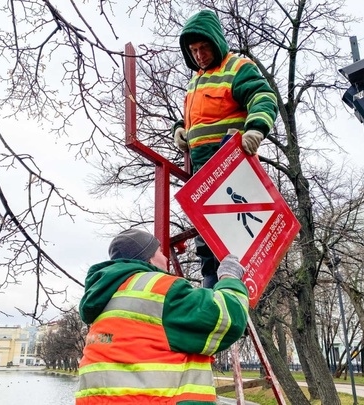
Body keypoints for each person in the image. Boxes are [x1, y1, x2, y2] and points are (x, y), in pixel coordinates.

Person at [75, 228, 249, 405]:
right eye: (159, 251)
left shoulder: (105, 301)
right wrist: (230, 277)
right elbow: (228, 318)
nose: (165, 258)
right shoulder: (159, 290)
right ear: (149, 258)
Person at [172, 10, 279, 287]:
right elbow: (196, 117)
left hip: (229, 164)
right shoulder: (195, 81)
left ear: (215, 42)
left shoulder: (237, 67)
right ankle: (212, 285)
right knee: (207, 234)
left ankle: (232, 287)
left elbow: (263, 96)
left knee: (233, 233)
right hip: (203, 170)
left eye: (203, 47)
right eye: (193, 50)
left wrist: (256, 129)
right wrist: (180, 128)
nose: (198, 55)